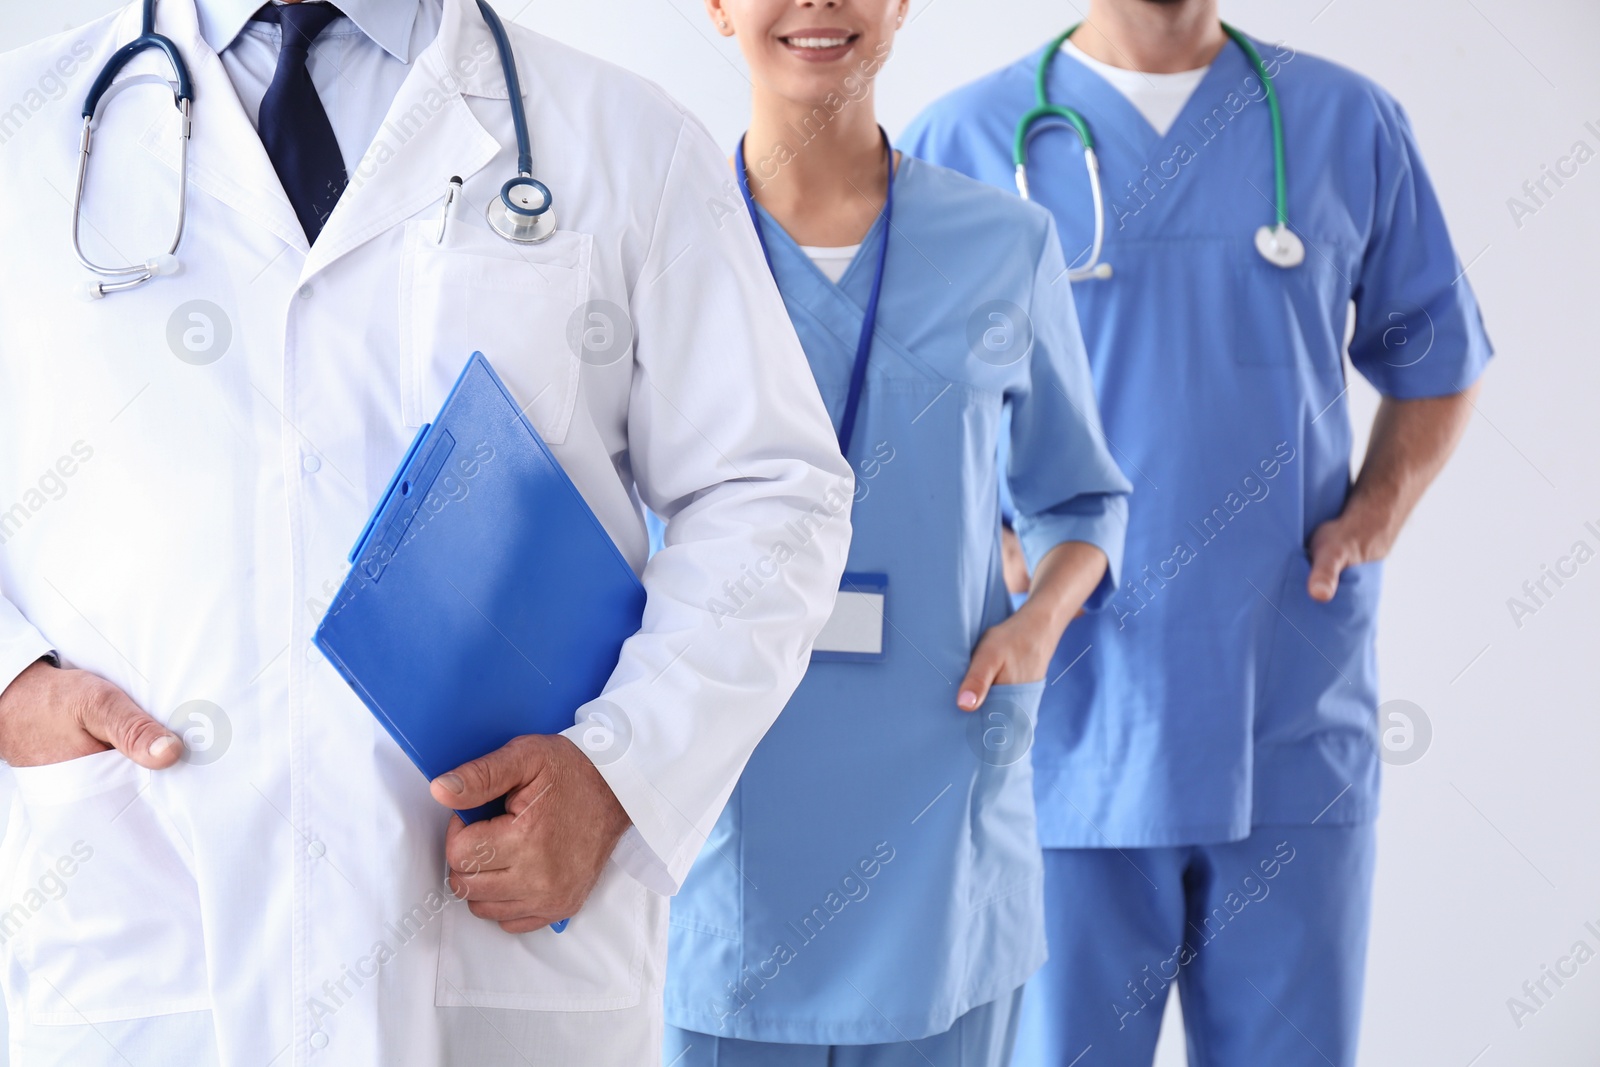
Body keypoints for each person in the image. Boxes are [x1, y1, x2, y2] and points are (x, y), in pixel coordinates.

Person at [0, 0, 853, 1063]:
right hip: (141, 927)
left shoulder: (624, 139)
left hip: (493, 957)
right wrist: (13, 687)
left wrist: (620, 773)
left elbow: (772, 488)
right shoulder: (21, 129)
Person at [903, 1, 1491, 1063]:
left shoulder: (1345, 122)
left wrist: (1374, 515)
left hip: (1284, 711)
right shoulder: (967, 138)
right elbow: (896, 402)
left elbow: (1438, 352)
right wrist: (974, 533)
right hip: (1061, 724)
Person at [663, 2, 1131, 1066]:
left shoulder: (1004, 245)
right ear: (718, 7)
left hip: (941, 812)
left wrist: (1038, 622)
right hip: (726, 807)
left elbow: (1081, 498)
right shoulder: (665, 245)